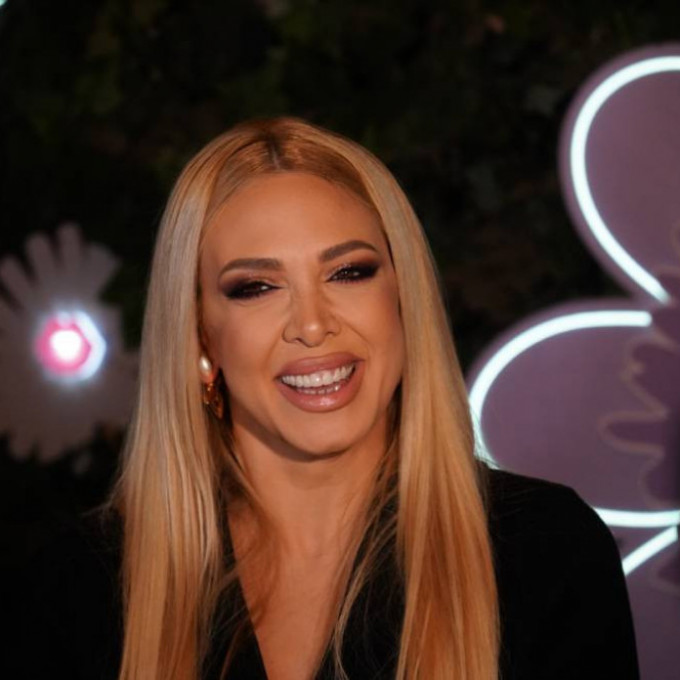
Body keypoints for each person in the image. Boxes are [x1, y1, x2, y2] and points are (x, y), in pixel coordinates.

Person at [16, 117, 639, 680]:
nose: (312, 325)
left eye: (349, 273)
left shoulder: (541, 552)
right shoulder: (81, 588)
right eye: (256, 287)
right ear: (201, 338)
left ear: (404, 301)